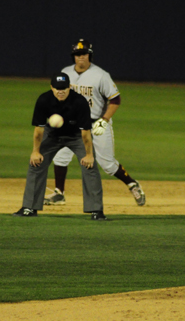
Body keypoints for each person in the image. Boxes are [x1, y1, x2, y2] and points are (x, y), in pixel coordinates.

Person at [43, 39, 146, 207]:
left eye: (83, 54)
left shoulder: (101, 75)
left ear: (89, 55)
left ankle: (132, 184)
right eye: (77, 55)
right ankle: (59, 193)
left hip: (96, 122)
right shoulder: (65, 72)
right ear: (73, 57)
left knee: (107, 164)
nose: (80, 58)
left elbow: (115, 99)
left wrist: (104, 120)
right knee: (61, 157)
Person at [14, 72, 107, 220]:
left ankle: (96, 210)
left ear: (70, 87)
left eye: (64, 88)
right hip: (52, 136)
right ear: (52, 87)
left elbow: (86, 133)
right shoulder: (44, 100)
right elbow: (39, 130)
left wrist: (89, 155)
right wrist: (35, 151)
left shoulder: (79, 101)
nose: (61, 91)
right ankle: (29, 208)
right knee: (35, 164)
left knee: (90, 166)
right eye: (57, 88)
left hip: (76, 136)